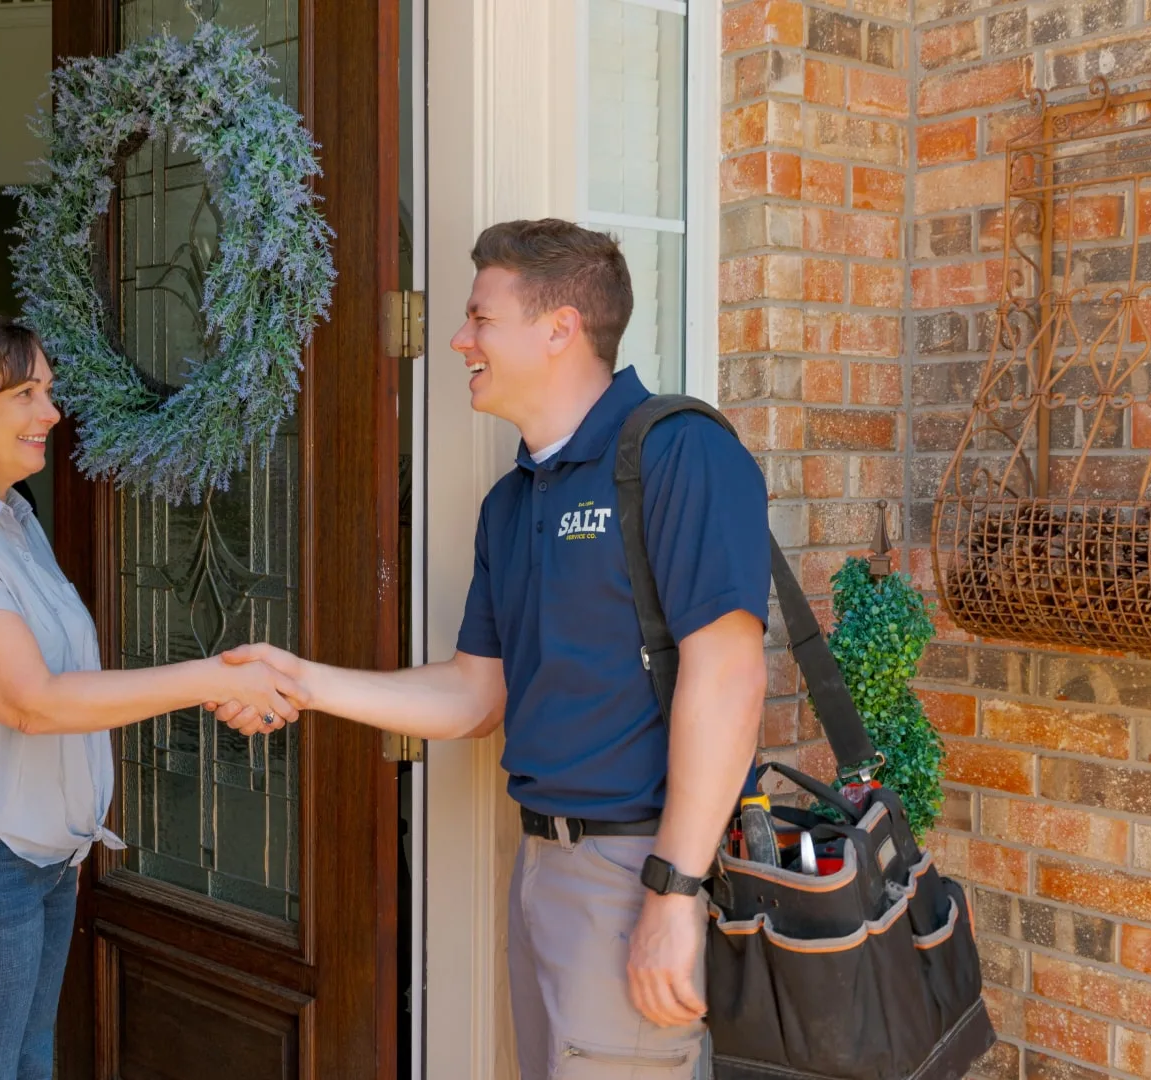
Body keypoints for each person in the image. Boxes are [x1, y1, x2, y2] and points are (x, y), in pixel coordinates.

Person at [213, 220, 771, 1079]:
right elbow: (475, 697)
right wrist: (302, 681)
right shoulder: (512, 504)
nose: (458, 339)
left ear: (559, 329)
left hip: (638, 867)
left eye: (481, 318)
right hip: (544, 870)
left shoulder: (676, 451)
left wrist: (675, 891)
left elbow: (729, 674)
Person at [0, 312, 302, 1080]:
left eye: (50, 391)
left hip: (35, 860)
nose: (52, 412)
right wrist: (210, 677)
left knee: (28, 1069)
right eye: (29, 394)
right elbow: (31, 701)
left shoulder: (11, 522)